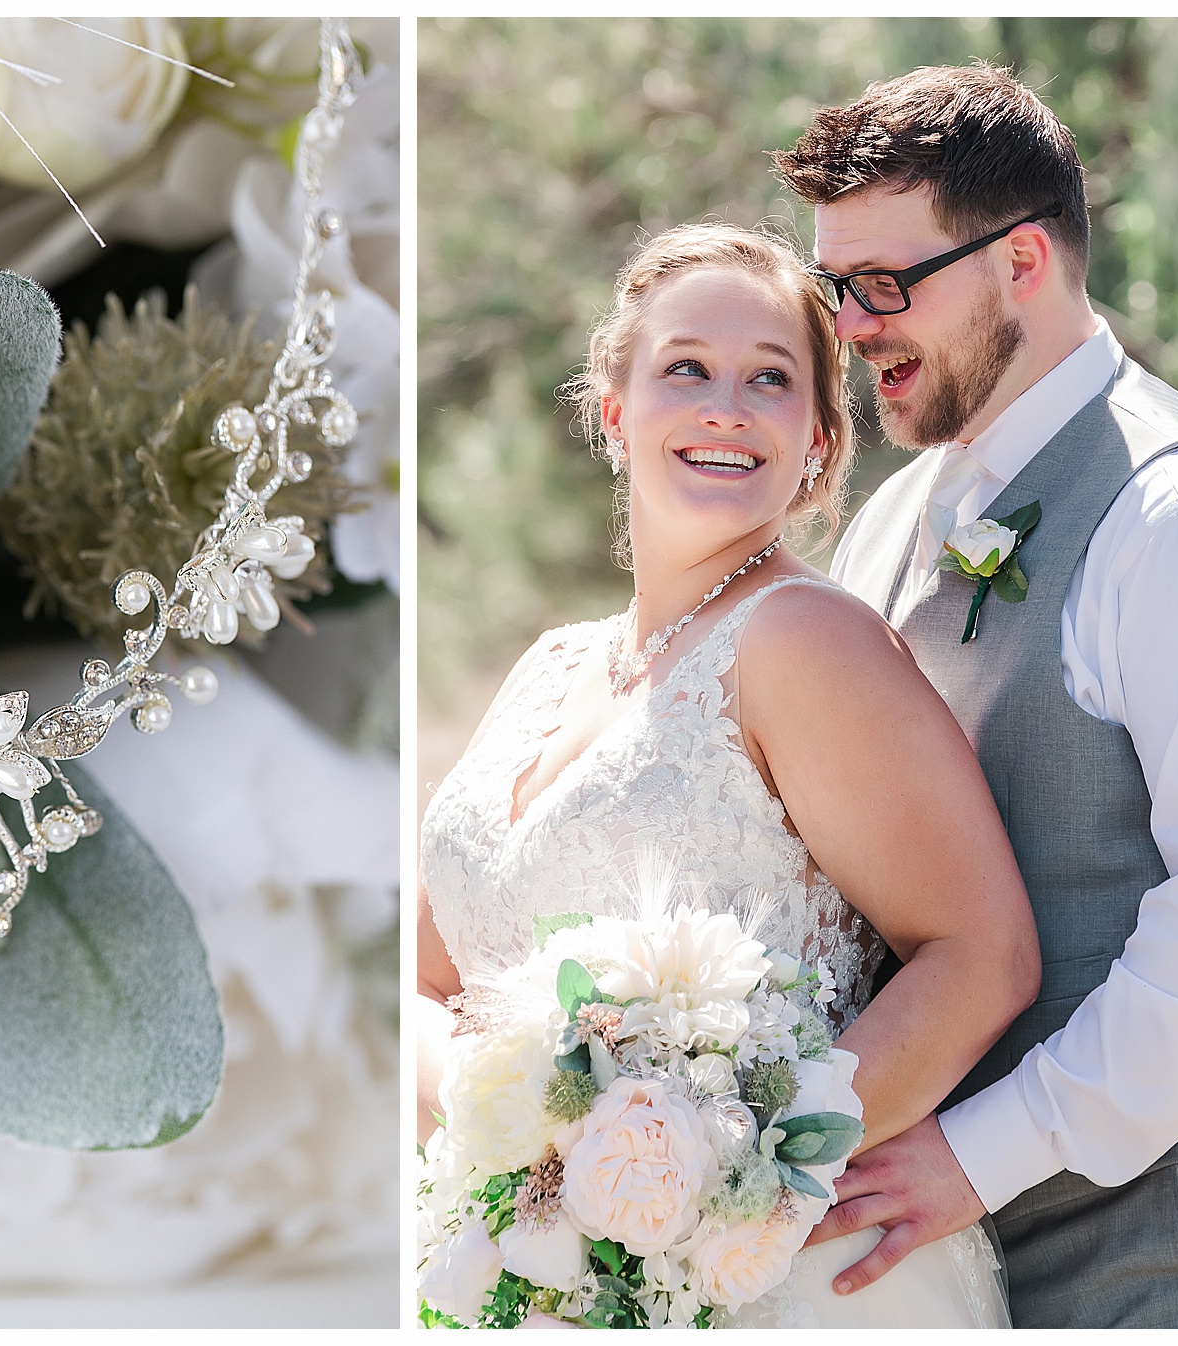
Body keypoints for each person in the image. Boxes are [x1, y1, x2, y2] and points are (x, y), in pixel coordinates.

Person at [417, 222, 1039, 1326]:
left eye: (770, 380)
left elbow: (983, 955)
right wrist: (502, 1169)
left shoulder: (803, 641)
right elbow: (429, 980)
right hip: (520, 1278)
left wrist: (721, 1181)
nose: (725, 406)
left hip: (764, 1284)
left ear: (816, 442)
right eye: (686, 369)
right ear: (616, 411)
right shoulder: (549, 664)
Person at [775, 63, 1178, 1329]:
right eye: (838, 289)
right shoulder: (899, 511)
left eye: (887, 285)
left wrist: (978, 1154)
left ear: (1023, 265)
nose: (851, 327)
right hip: (952, 1257)